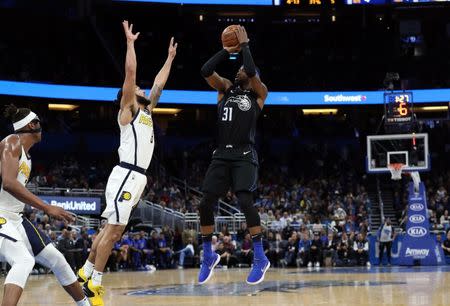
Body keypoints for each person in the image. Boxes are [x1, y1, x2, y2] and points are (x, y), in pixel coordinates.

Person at [77, 20, 177, 306]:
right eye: (137, 89)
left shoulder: (147, 110)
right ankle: (94, 284)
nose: (144, 89)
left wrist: (169, 59)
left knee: (110, 229)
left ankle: (85, 269)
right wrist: (130, 44)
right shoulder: (129, 110)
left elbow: (158, 85)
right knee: (115, 231)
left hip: (136, 177)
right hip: (127, 174)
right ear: (129, 96)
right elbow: (131, 73)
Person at [198, 25, 269, 285]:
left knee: (245, 201)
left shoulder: (259, 94)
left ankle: (260, 258)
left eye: (243, 70)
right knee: (205, 203)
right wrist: (226, 50)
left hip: (245, 155)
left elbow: (250, 70)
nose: (238, 70)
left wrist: (246, 45)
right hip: (221, 155)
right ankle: (208, 254)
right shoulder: (225, 88)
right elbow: (206, 71)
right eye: (237, 67)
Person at [0, 105, 89, 306]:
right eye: (39, 123)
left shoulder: (27, 157)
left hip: (16, 218)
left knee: (56, 259)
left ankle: (85, 304)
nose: (42, 128)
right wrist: (47, 207)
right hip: (1, 214)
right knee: (23, 261)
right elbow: (8, 182)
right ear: (32, 124)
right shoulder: (12, 141)